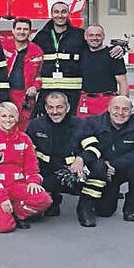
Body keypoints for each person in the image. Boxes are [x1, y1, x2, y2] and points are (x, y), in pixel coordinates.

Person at [25, 92, 107, 227]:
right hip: (48, 173)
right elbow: (27, 153)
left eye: (59, 107)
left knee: (99, 167)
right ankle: (52, 201)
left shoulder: (80, 124)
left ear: (67, 107)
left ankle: (85, 207)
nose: (55, 112)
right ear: (45, 108)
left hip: (74, 172)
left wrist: (81, 159)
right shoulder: (35, 125)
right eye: (51, 108)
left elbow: (94, 147)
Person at [0, 101, 52, 232]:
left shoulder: (24, 139)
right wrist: (2, 198)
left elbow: (32, 166)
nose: (8, 120)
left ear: (17, 118)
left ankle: (16, 212)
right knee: (3, 227)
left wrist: (33, 181)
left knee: (44, 200)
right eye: (4, 116)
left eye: (11, 116)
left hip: (18, 186)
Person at [87, 96, 134, 221]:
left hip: (123, 168)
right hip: (103, 171)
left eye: (125, 109)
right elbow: (87, 149)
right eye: (116, 108)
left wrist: (113, 164)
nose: (120, 113)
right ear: (108, 109)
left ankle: (130, 207)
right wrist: (102, 165)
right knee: (105, 212)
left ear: (131, 111)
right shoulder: (93, 123)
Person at [0, 18, 43, 130]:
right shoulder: (3, 46)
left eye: (25, 29)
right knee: (5, 124)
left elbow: (40, 74)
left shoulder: (36, 51)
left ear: (30, 32)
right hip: (5, 93)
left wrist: (35, 86)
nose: (22, 32)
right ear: (13, 30)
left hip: (25, 97)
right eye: (19, 28)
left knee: (24, 127)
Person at [77, 25, 128, 117]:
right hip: (85, 102)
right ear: (85, 37)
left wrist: (122, 105)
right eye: (91, 35)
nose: (94, 38)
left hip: (107, 102)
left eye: (98, 35)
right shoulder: (81, 53)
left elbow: (123, 84)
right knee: (83, 130)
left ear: (103, 36)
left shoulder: (113, 55)